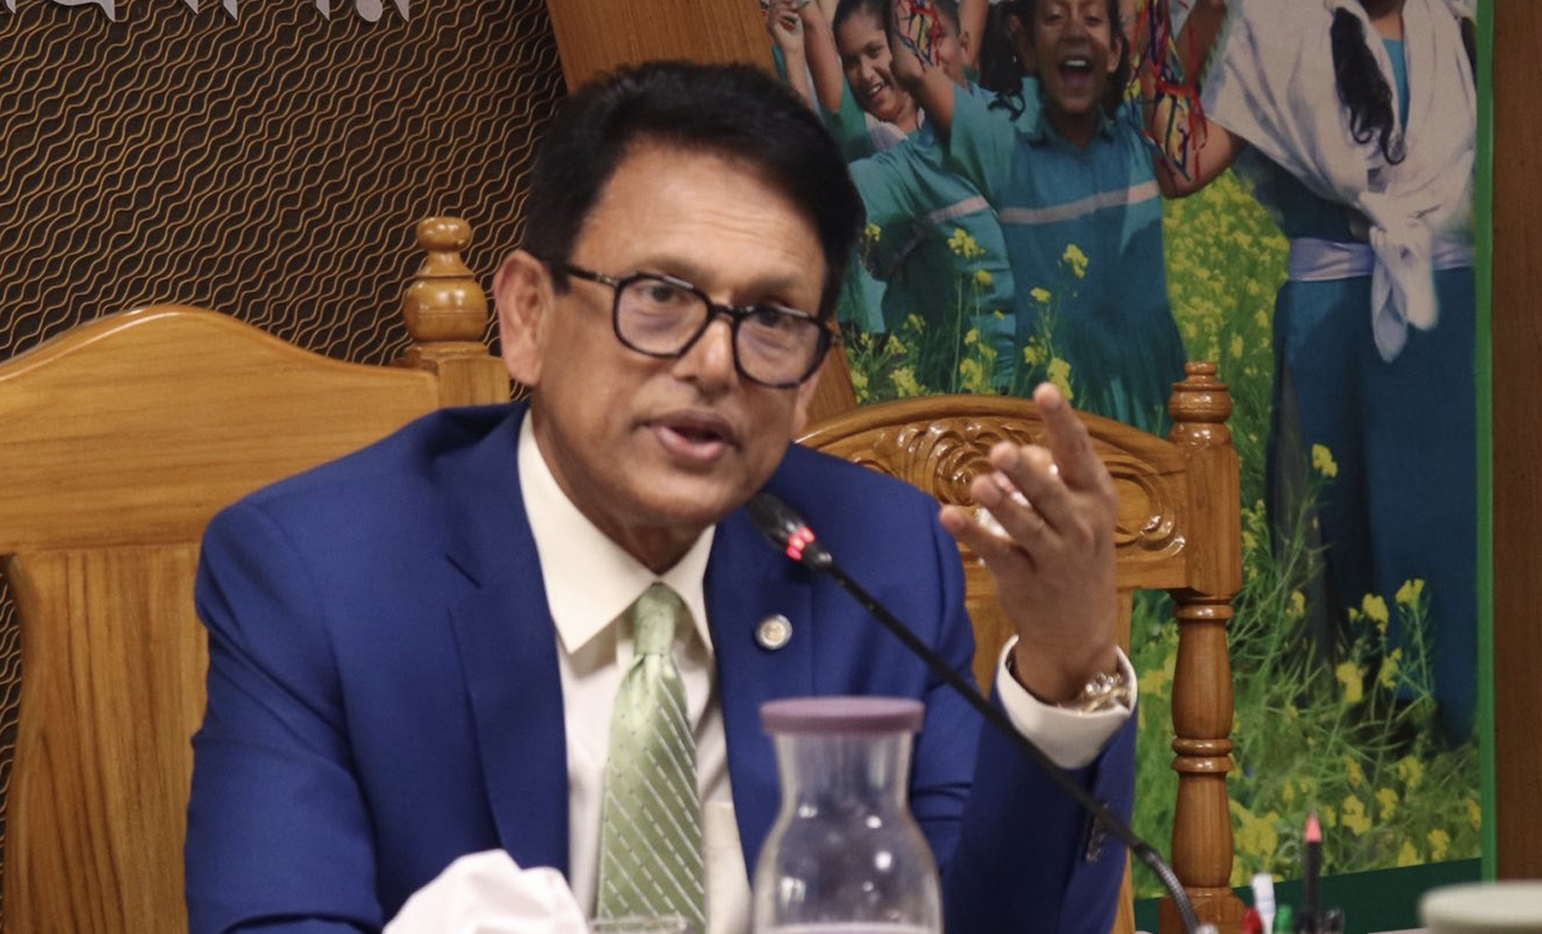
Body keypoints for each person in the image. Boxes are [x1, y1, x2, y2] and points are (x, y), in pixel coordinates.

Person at [184, 60, 1135, 934]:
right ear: (528, 317)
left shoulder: (874, 556)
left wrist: (1064, 667)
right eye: (661, 296)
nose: (715, 363)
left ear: (809, 378)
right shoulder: (318, 575)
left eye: (771, 319)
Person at [1161, 0, 1477, 739]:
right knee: (1334, 524)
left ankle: (1460, 724)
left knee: (1446, 525)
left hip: (1450, 314)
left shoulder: (1462, 21)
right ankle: (1359, 731)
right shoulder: (1279, 27)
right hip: (1329, 315)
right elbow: (1181, 166)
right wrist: (1183, 23)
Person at [891, 0, 1189, 433]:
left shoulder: (1139, 136)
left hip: (1154, 397)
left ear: (1114, 53)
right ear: (1028, 49)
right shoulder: (1002, 141)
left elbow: (1161, 54)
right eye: (1054, 18)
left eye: (1092, 19)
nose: (1075, 32)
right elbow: (915, 69)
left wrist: (1157, 19)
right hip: (1062, 407)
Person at [776, 0, 1018, 393]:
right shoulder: (906, 166)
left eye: (876, 51)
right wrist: (792, 53)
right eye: (851, 62)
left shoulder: (1011, 120)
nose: (865, 73)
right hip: (974, 390)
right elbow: (811, 189)